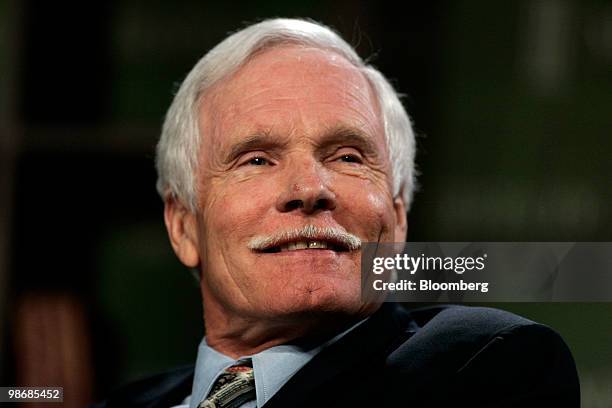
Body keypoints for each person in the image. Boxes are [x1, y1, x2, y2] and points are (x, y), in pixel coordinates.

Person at [94, 18, 579, 407]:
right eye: (256, 159)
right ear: (183, 227)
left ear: (397, 216)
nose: (310, 188)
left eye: (347, 157)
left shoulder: (479, 367)